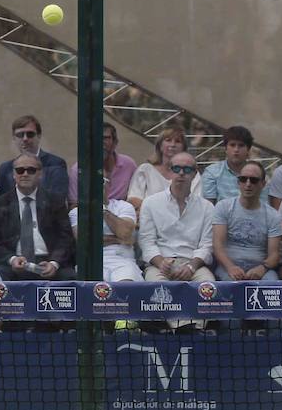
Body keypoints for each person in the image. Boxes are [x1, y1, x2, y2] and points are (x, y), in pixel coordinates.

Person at [137, 152, 214, 332]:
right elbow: (147, 242)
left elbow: (207, 245)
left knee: (209, 288)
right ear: (170, 172)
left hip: (193, 264)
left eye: (187, 169)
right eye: (177, 168)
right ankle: (184, 328)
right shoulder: (150, 203)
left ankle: (193, 329)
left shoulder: (207, 207)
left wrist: (191, 267)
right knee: (156, 289)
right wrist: (162, 263)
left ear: (195, 174)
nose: (181, 173)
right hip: (159, 264)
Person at [0, 153, 75, 281]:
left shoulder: (55, 201)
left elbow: (66, 239)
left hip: (47, 259)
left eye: (31, 170)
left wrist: (54, 263)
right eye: (20, 170)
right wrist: (12, 259)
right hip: (14, 262)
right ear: (14, 175)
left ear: (40, 174)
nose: (25, 174)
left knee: (70, 278)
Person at [212, 161, 282, 281]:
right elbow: (217, 246)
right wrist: (231, 267)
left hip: (260, 268)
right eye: (243, 179)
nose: (248, 184)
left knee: (272, 284)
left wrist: (262, 268)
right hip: (227, 266)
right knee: (230, 285)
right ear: (238, 182)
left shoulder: (273, 215)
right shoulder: (223, 207)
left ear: (263, 184)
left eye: (254, 180)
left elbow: (274, 254)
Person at [69, 175, 142, 282]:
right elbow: (85, 241)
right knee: (93, 290)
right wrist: (117, 239)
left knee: (126, 286)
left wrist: (101, 209)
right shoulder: (76, 212)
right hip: (91, 261)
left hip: (123, 260)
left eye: (100, 182)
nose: (96, 187)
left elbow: (125, 234)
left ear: (108, 185)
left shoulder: (124, 206)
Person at [0, 115, 69, 202]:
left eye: (30, 134)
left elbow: (58, 199)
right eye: (20, 135)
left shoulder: (55, 163)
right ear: (14, 138)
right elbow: (1, 203)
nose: (25, 139)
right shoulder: (6, 168)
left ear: (39, 136)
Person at [127, 126, 201, 211]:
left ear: (183, 148)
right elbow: (133, 199)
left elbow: (197, 202)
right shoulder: (145, 170)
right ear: (160, 146)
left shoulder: (192, 173)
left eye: (177, 141)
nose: (173, 145)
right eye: (168, 140)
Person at [68, 122, 136, 207]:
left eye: (105, 138)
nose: (100, 142)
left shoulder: (129, 165)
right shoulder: (78, 170)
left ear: (115, 142)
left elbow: (135, 197)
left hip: (122, 215)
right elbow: (74, 206)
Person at [200, 125, 266, 205]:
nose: (236, 150)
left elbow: (263, 204)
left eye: (241, 145)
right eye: (232, 145)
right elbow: (208, 207)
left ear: (248, 149)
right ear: (226, 148)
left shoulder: (257, 173)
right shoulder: (212, 172)